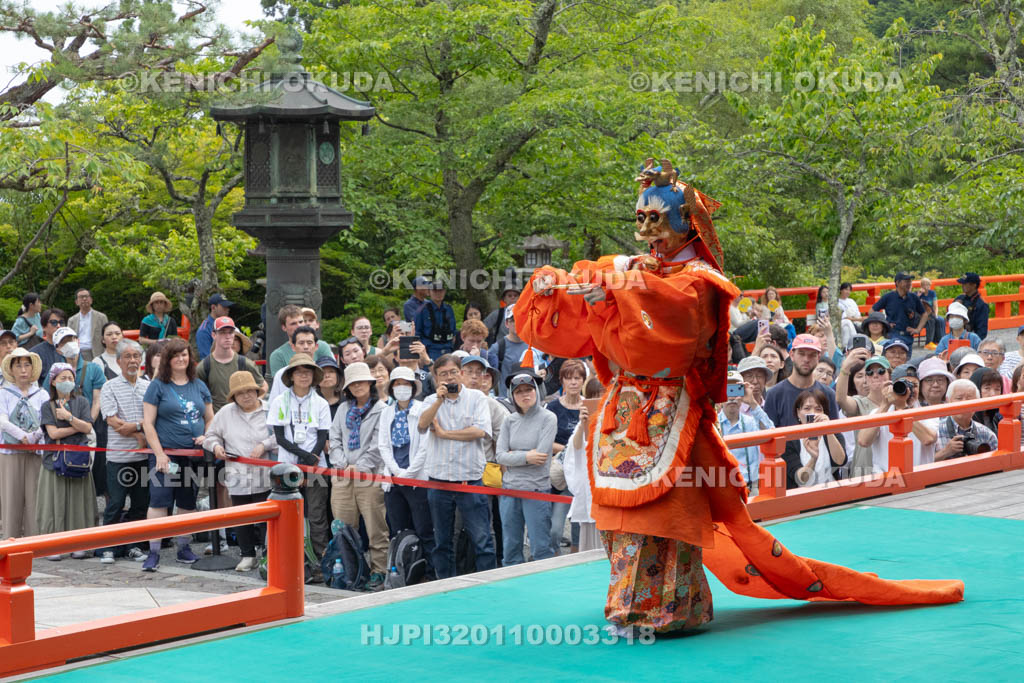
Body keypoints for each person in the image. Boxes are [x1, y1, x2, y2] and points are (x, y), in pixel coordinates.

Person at [518, 159, 962, 637]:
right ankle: (636, 602)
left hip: (670, 410)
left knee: (667, 511)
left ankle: (668, 607)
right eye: (640, 218)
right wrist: (567, 287)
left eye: (656, 217)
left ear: (685, 221)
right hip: (623, 409)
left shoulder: (699, 283)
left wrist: (611, 293)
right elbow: (612, 297)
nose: (646, 228)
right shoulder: (634, 270)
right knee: (622, 514)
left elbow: (668, 319)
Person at [417, 353, 496, 579]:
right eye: (443, 374)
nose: (449, 378)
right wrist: (439, 400)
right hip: (439, 480)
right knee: (442, 541)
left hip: (469, 479)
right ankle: (445, 585)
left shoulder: (477, 398)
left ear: (461, 373)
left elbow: (479, 431)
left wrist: (444, 434)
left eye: (453, 372)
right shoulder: (431, 401)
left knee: (482, 539)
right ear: (435, 377)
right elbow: (422, 425)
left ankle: (488, 584)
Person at [140, 338, 214, 571]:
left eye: (185, 355)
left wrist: (207, 436)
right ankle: (153, 551)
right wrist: (160, 454)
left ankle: (184, 547)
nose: (181, 359)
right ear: (168, 360)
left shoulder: (199, 385)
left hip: (192, 455)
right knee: (159, 501)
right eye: (176, 355)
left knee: (187, 501)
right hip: (166, 456)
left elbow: (210, 417)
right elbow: (148, 423)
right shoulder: (157, 386)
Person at [204, 371, 277, 572]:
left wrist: (265, 444)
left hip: (265, 473)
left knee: (266, 518)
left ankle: (269, 554)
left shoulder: (270, 411)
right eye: (240, 393)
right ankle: (247, 555)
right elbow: (210, 436)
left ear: (257, 391)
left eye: (249, 391)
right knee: (242, 517)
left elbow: (282, 436)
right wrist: (217, 447)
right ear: (234, 396)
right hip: (237, 473)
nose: (246, 396)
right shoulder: (226, 413)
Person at [329, 362, 388, 589]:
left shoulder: (381, 409)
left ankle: (378, 571)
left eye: (362, 381)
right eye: (353, 383)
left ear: (370, 383)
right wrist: (342, 463)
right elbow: (334, 438)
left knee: (375, 527)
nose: (358, 386)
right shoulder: (343, 409)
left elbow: (378, 444)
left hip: (371, 476)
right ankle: (350, 569)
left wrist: (360, 466)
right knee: (343, 527)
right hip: (343, 475)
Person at [268, 353, 332, 558]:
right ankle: (288, 556)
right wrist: (303, 457)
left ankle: (320, 558)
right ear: (291, 376)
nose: (304, 376)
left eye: (308, 372)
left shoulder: (321, 402)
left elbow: (323, 435)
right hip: (288, 465)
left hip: (316, 465)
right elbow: (279, 437)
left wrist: (311, 458)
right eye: (299, 372)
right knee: (288, 512)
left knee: (316, 514)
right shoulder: (279, 401)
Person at [496, 370, 557, 565]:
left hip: (536, 489)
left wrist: (515, 455)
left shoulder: (548, 418)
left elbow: (541, 455)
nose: (525, 395)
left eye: (529, 389)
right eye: (519, 391)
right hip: (510, 489)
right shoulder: (509, 420)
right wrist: (526, 455)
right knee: (511, 546)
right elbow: (500, 456)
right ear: (512, 395)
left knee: (540, 547)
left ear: (537, 391)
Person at [378, 366, 435, 576]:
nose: (402, 388)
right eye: (397, 384)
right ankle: (399, 571)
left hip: (417, 479)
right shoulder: (386, 412)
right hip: (393, 480)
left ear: (413, 387)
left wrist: (409, 473)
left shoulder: (422, 409)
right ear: (392, 388)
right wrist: (395, 471)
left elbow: (425, 445)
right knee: (396, 529)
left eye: (406, 384)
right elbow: (383, 444)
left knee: (424, 528)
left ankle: (429, 573)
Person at [98, 340, 150, 563]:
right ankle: (107, 546)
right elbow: (112, 420)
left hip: (143, 457)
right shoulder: (109, 386)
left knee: (140, 503)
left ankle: (134, 545)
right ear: (118, 361)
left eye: (136, 356)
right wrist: (139, 433)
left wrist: (137, 427)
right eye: (127, 356)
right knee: (116, 502)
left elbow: (151, 419)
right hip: (118, 456)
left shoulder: (148, 385)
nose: (132, 361)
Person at [36, 363, 95, 555]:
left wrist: (69, 417)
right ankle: (54, 545)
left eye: (70, 378)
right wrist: (78, 426)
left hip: (78, 458)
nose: (67, 381)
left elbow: (88, 428)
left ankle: (78, 543)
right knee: (55, 503)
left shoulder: (83, 402)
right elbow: (53, 433)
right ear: (53, 381)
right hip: (55, 459)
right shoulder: (47, 406)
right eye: (63, 378)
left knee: (78, 502)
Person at [856, 364, 938, 473]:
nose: (910, 390)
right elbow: (863, 441)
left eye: (914, 385)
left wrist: (902, 408)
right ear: (892, 387)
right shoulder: (878, 413)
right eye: (903, 385)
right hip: (886, 480)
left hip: (919, 479)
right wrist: (885, 404)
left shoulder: (929, 413)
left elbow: (928, 439)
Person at [0, 348, 47, 538]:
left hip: (35, 451)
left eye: (27, 364)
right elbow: (2, 420)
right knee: (11, 496)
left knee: (35, 496)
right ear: (11, 369)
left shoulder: (41, 394)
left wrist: (34, 437)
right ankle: (9, 539)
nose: (23, 370)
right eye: (18, 365)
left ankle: (34, 539)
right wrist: (22, 436)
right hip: (10, 451)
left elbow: (47, 420)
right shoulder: (3, 393)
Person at [546, 359, 586, 554]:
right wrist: (568, 450)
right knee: (554, 530)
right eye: (568, 378)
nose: (573, 382)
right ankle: (555, 563)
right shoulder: (552, 408)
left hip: (581, 475)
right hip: (560, 474)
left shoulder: (588, 406)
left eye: (577, 378)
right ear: (561, 380)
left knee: (580, 533)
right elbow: (545, 441)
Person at [562, 378, 604, 551]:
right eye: (595, 397)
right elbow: (576, 448)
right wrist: (582, 425)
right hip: (591, 490)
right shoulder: (584, 422)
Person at [717, 371, 774, 496]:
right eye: (727, 391)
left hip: (750, 486)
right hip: (720, 486)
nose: (732, 397)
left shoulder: (751, 422)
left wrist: (752, 403)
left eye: (736, 390)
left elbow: (772, 434)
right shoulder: (713, 424)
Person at [197, 317, 267, 413]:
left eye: (230, 332)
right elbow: (196, 396)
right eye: (222, 332)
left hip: (242, 419)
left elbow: (263, 386)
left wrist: (251, 405)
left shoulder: (245, 363)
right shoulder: (204, 366)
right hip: (216, 421)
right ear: (214, 335)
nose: (227, 336)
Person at [791, 388, 847, 487]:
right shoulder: (790, 440)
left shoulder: (834, 434)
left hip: (831, 493)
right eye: (807, 408)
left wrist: (828, 430)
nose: (813, 413)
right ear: (798, 412)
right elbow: (800, 479)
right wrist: (813, 458)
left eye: (818, 409)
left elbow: (840, 461)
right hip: (801, 497)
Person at [935, 380, 998, 460]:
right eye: (959, 398)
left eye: (969, 399)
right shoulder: (935, 432)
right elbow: (921, 464)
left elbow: (997, 464)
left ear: (977, 403)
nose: (964, 403)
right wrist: (945, 452)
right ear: (948, 401)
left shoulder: (987, 434)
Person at [487, 306, 541, 396]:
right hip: (506, 400)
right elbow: (488, 376)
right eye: (513, 320)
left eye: (520, 319)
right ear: (507, 323)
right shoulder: (498, 347)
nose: (517, 323)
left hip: (529, 398)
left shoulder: (535, 346)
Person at [267, 305, 333, 377]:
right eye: (293, 323)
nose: (299, 326)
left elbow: (330, 374)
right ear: (284, 327)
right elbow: (281, 384)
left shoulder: (322, 346)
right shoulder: (278, 355)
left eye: (301, 322)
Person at [267, 326, 323, 409]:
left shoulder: (321, 371)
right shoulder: (281, 374)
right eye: (301, 343)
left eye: (309, 342)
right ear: (293, 347)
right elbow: (272, 406)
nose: (306, 347)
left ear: (316, 346)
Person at [870, 272, 929, 347]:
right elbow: (871, 311)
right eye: (906, 281)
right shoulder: (888, 297)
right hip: (892, 334)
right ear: (898, 283)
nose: (909, 283)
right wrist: (883, 323)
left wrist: (918, 329)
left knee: (906, 358)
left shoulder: (913, 297)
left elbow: (925, 314)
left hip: (908, 335)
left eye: (910, 281)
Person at [415, 282, 457, 360]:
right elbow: (417, 333)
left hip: (448, 349)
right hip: (430, 351)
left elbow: (454, 332)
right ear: (429, 292)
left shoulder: (449, 309)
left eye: (441, 290)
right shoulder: (422, 310)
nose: (438, 293)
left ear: (444, 291)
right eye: (435, 290)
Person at [67, 288, 108, 362]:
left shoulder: (101, 317)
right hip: (78, 354)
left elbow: (107, 336)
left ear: (91, 300)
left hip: (96, 352)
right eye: (81, 297)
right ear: (76, 302)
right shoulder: (72, 320)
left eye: (87, 296)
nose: (84, 299)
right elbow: (69, 340)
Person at [30, 307, 66, 383]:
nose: (58, 326)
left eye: (61, 322)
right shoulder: (35, 353)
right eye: (54, 322)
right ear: (44, 327)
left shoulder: (72, 349)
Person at [196, 293, 234, 359]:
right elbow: (207, 359)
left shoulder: (229, 325)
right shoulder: (204, 330)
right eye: (224, 307)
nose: (228, 309)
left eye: (228, 307)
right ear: (213, 307)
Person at [968, 367, 1004, 434]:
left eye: (997, 389)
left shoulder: (996, 418)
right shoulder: (967, 419)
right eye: (987, 388)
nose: (993, 394)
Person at [953, 272, 988, 340]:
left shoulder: (981, 304)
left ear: (974, 285)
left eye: (965, 283)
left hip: (971, 339)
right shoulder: (959, 299)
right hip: (955, 337)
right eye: (962, 283)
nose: (962, 285)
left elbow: (982, 332)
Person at [316, 355, 344, 421]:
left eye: (331, 371)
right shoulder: (311, 401)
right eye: (322, 372)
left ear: (338, 375)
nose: (327, 375)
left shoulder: (347, 401)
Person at [917, 278, 942, 350]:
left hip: (931, 313)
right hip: (921, 315)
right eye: (924, 285)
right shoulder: (918, 293)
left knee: (940, 320)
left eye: (927, 284)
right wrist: (918, 295)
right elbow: (915, 305)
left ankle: (938, 341)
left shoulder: (932, 293)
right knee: (931, 321)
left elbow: (935, 306)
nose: (926, 286)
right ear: (921, 286)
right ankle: (929, 342)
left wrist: (936, 314)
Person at [836, 282, 862, 349]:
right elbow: (844, 317)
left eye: (849, 290)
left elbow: (858, 314)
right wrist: (858, 319)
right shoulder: (837, 302)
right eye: (846, 289)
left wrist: (860, 319)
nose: (848, 292)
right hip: (845, 323)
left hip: (857, 321)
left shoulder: (851, 301)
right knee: (848, 325)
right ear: (841, 290)